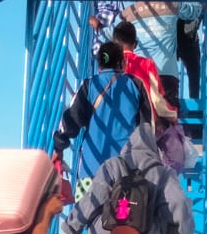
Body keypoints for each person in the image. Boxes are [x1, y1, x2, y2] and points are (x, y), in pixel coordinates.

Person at [66, 114, 195, 234]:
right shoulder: (163, 173)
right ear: (155, 148)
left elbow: (93, 198)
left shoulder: (112, 165)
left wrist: (71, 227)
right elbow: (178, 205)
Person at [52, 40, 151, 190]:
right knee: (125, 206)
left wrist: (59, 147)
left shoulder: (90, 85)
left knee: (87, 205)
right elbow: (146, 129)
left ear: (100, 65)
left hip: (91, 171)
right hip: (127, 172)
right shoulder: (136, 85)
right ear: (122, 62)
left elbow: (70, 120)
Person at [121, 0, 200, 103]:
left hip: (138, 73)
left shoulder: (129, 12)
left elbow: (111, 35)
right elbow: (195, 10)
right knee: (167, 115)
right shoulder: (173, 6)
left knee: (139, 114)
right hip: (166, 74)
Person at [177, 0, 205, 99]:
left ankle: (195, 100)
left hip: (190, 35)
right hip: (178, 33)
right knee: (171, 70)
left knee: (194, 71)